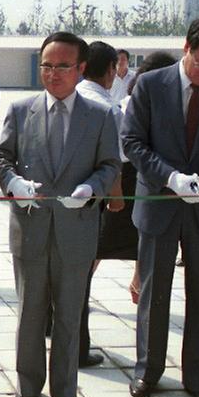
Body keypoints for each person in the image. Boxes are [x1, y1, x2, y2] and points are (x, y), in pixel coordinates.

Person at [0, 32, 120, 397]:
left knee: (69, 314)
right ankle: (28, 386)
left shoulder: (100, 115)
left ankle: (65, 389)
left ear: (81, 69)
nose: (53, 74)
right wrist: (13, 184)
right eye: (47, 65)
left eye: (63, 66)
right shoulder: (20, 109)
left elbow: (110, 165)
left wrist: (91, 187)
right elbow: (2, 156)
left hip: (76, 229)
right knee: (30, 312)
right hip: (30, 228)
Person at [121, 16, 199, 397]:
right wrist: (171, 178)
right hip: (159, 201)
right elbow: (133, 141)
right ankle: (147, 370)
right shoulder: (152, 85)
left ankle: (198, 375)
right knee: (154, 293)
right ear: (186, 49)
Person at [73, 41, 125, 368]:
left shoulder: (73, 98)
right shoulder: (108, 109)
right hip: (93, 200)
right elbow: (114, 159)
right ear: (109, 71)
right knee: (83, 274)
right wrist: (116, 199)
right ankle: (78, 348)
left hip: (65, 196)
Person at [117, 51, 178, 301]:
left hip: (153, 178)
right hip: (133, 177)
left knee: (141, 243)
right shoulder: (133, 100)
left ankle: (138, 281)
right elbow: (128, 144)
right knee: (108, 242)